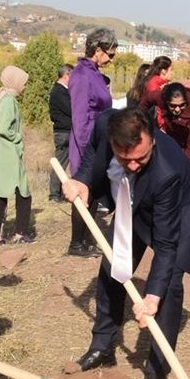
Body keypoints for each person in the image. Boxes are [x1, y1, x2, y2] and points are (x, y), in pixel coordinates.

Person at [61, 108, 190, 379]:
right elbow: (92, 152)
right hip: (132, 204)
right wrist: (82, 179)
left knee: (168, 289)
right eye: (125, 159)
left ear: (152, 140)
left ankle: (157, 373)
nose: (133, 165)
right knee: (113, 268)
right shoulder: (103, 125)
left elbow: (166, 243)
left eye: (141, 158)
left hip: (178, 215)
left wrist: (152, 295)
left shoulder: (166, 173)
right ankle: (102, 347)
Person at [67, 28, 117, 258]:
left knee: (94, 192)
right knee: (82, 190)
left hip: (100, 142)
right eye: (110, 54)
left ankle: (87, 240)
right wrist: (89, 148)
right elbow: (79, 117)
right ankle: (76, 243)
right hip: (86, 144)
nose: (111, 58)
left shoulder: (95, 73)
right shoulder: (81, 75)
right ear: (98, 50)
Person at [0, 66, 33, 246]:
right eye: (24, 83)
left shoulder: (1, 97)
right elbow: (6, 128)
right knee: (23, 193)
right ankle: (20, 234)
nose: (25, 86)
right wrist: (19, 136)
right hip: (9, 153)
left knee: (1, 193)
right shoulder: (8, 101)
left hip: (1, 153)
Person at [48, 63, 74, 202]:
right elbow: (71, 109)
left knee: (66, 164)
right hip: (63, 132)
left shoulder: (62, 91)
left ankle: (62, 193)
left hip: (66, 131)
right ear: (66, 76)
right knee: (60, 163)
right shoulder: (59, 92)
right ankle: (54, 194)